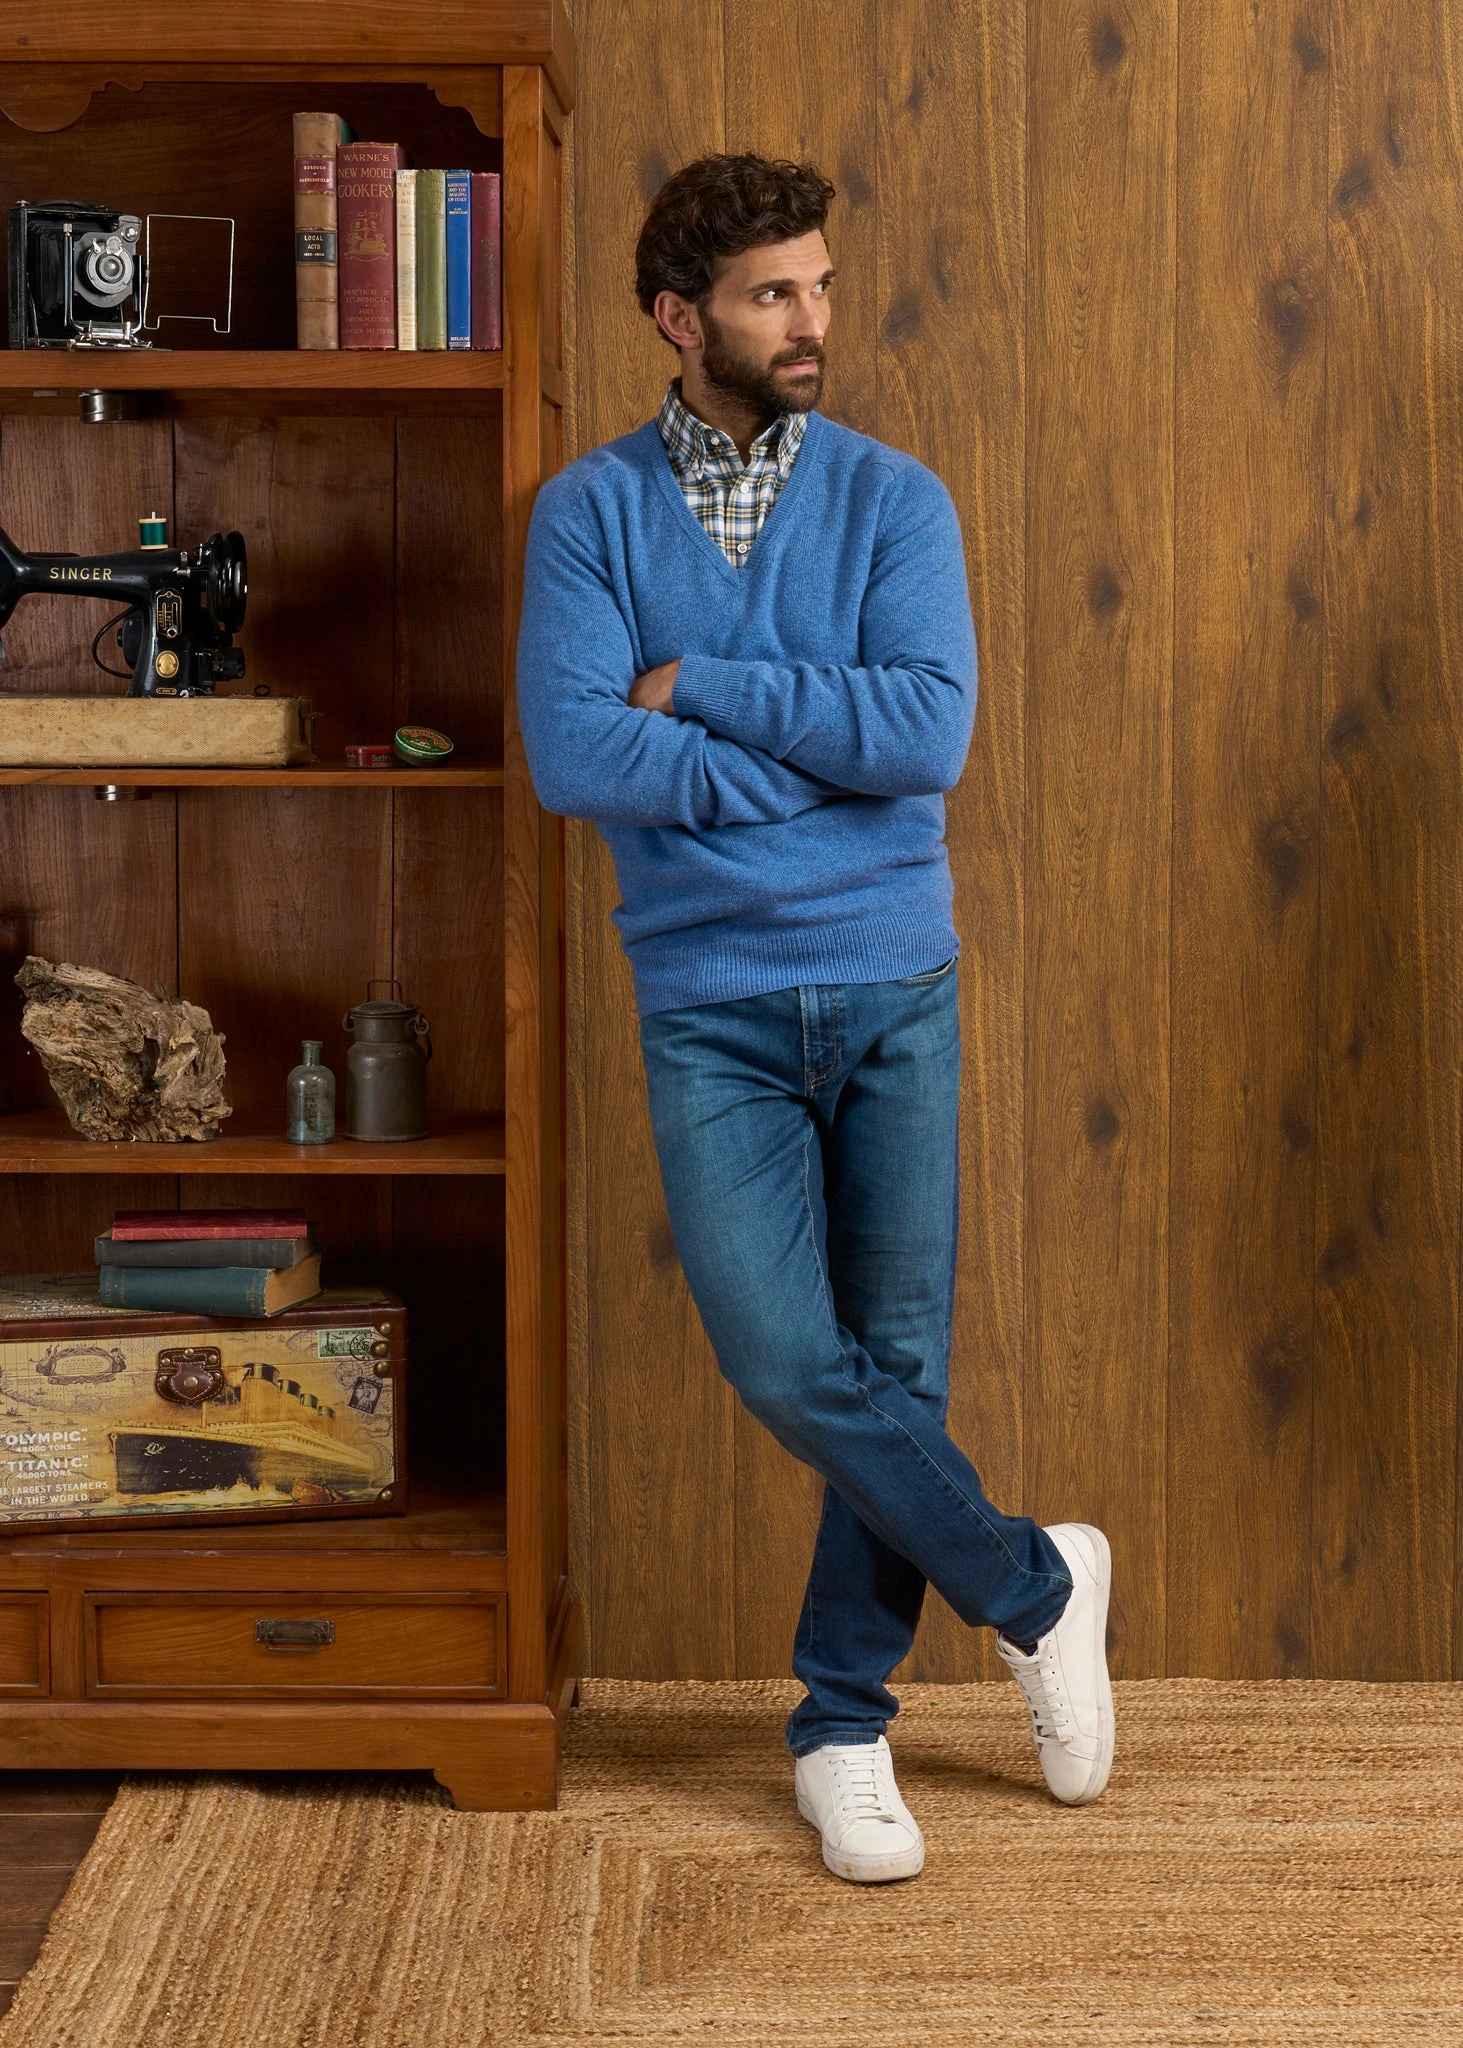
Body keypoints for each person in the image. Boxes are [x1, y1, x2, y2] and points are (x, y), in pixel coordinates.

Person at [516, 153, 1114, 1885]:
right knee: (790, 1361)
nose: (810, 321)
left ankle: (843, 1728)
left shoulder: (893, 500)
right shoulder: (589, 515)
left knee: (895, 1368)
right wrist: (810, 771)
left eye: (820, 287)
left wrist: (701, 688)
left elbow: (924, 738)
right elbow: (575, 755)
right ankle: (1037, 1585)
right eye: (772, 293)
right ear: (677, 317)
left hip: (895, 982)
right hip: (707, 1004)